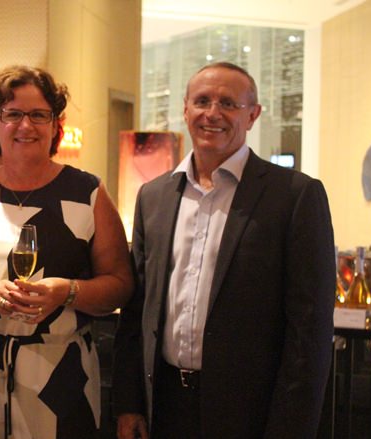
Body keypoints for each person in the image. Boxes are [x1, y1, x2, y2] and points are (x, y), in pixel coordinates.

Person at [112, 62, 335, 439]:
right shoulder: (153, 197)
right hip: (164, 407)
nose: (212, 113)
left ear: (253, 115)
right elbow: (138, 312)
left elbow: (309, 333)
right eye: (202, 101)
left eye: (228, 103)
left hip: (251, 414)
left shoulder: (295, 196)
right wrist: (129, 402)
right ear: (185, 110)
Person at [0, 65, 133, 438]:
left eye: (39, 115)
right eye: (12, 114)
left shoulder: (88, 193)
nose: (26, 126)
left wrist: (67, 291)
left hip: (62, 374)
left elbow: (121, 285)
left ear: (55, 125)